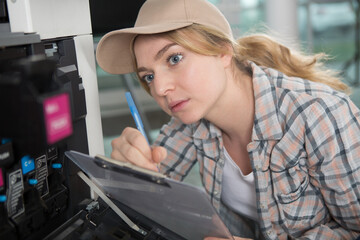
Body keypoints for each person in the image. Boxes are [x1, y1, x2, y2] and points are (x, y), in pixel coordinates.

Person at [96, 0, 360, 239]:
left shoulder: (319, 114)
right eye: (148, 77)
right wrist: (128, 173)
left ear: (223, 52)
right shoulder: (189, 120)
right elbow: (145, 198)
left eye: (174, 58)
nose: (160, 89)